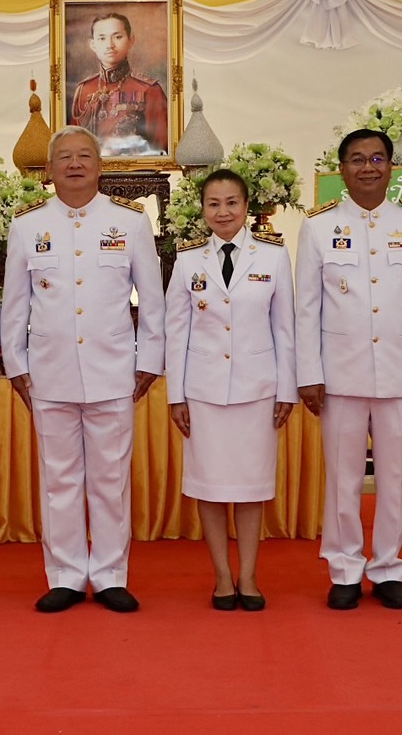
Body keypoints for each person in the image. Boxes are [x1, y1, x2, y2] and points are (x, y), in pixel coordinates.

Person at [1, 126, 165, 613]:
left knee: (111, 478)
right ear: (49, 170)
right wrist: (16, 366)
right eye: (64, 157)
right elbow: (15, 304)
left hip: (113, 370)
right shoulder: (28, 225)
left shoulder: (130, 223)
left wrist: (149, 360)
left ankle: (111, 573)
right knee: (60, 480)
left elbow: (151, 301)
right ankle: (67, 575)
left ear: (100, 165)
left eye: (84, 156)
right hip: (48, 373)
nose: (74, 164)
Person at [296, 128, 402, 610]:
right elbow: (307, 309)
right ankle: (344, 568)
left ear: (391, 167)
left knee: (396, 477)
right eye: (357, 159)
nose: (367, 167)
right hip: (340, 374)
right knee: (342, 477)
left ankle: (387, 568)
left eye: (377, 158)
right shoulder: (318, 227)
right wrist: (308, 372)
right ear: (341, 170)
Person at [165, 169, 295, 611]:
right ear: (202, 209)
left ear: (247, 207)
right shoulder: (187, 261)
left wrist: (287, 390)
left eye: (232, 203)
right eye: (214, 204)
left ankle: (250, 577)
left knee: (251, 487)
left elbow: (285, 329)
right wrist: (175, 395)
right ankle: (222, 576)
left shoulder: (274, 258)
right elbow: (175, 331)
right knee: (210, 487)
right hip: (202, 393)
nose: (223, 212)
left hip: (258, 391)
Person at [69, 12, 169, 155]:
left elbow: (161, 147)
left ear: (131, 40)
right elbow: (73, 144)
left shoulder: (149, 89)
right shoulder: (84, 89)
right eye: (102, 38)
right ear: (93, 44)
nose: (110, 45)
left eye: (118, 37)